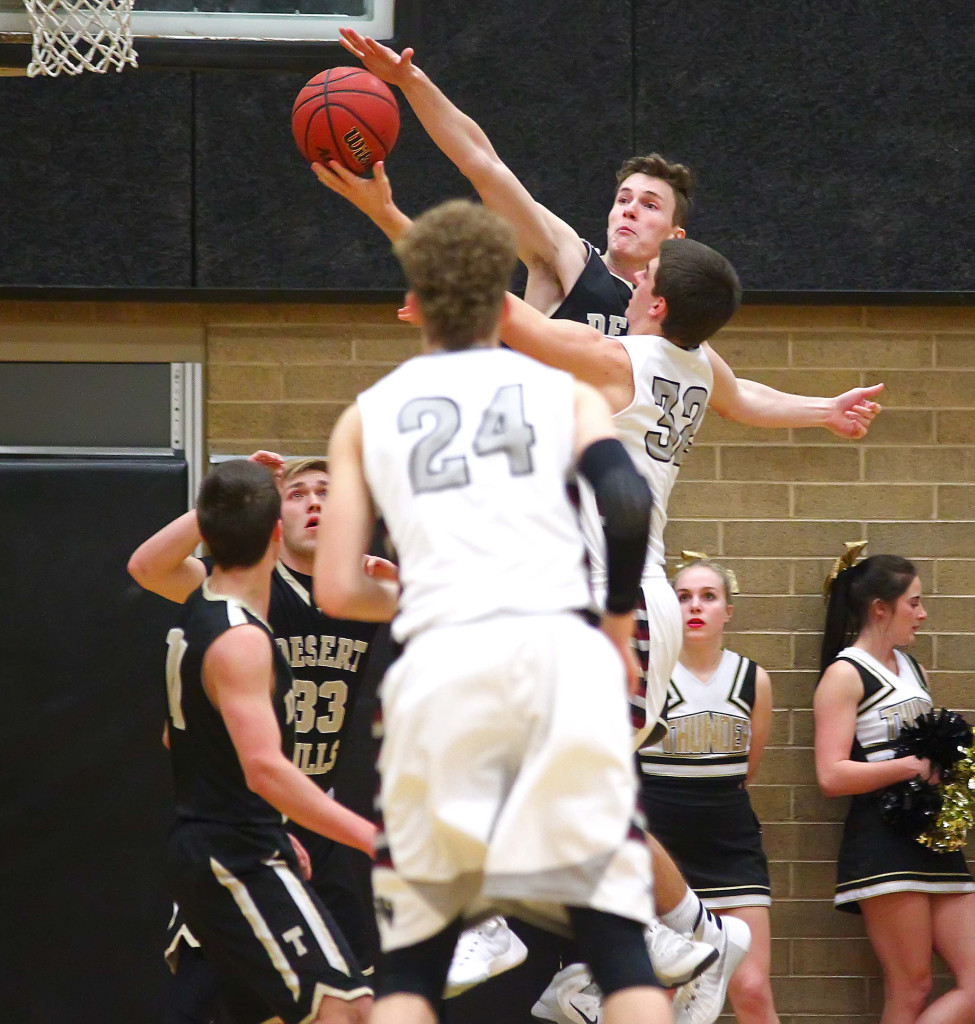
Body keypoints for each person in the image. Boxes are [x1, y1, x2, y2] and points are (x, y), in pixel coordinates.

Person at [318, 160, 885, 1024]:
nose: (632, 284)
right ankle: (674, 938)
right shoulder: (691, 366)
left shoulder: (614, 359)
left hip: (603, 600)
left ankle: (516, 926)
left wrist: (386, 209)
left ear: (655, 302)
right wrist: (822, 410)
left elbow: (493, 307)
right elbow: (747, 399)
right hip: (616, 601)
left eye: (644, 280)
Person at [313, 197, 670, 1024]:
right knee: (620, 954)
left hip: (439, 669)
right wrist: (616, 629)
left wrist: (414, 593)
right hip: (560, 657)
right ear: (495, 293)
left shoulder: (364, 416)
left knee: (408, 971)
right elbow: (623, 502)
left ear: (419, 293)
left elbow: (337, 591)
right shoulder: (563, 389)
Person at [129, 456, 392, 1022]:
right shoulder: (235, 599)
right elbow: (147, 566)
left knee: (347, 999)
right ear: (273, 523)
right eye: (297, 493)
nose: (315, 502)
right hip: (247, 825)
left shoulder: (359, 592)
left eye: (328, 492)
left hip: (296, 816)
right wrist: (226, 501)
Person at [334, 28, 692, 336]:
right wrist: (411, 81)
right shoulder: (570, 259)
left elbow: (738, 393)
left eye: (649, 205)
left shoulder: (678, 321)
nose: (630, 211)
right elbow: (484, 164)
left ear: (676, 238)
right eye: (623, 199)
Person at [814, 550, 975, 1024]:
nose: (923, 615)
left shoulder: (911, 668)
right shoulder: (846, 674)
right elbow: (831, 775)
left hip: (933, 835)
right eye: (914, 603)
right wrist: (908, 767)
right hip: (882, 838)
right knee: (911, 987)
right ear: (880, 608)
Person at [640, 556, 779, 1024]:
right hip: (663, 847)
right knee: (663, 996)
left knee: (753, 989)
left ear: (728, 610)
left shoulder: (752, 680)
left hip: (731, 844)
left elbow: (747, 768)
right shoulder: (649, 678)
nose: (695, 607)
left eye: (708, 596)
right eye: (683, 597)